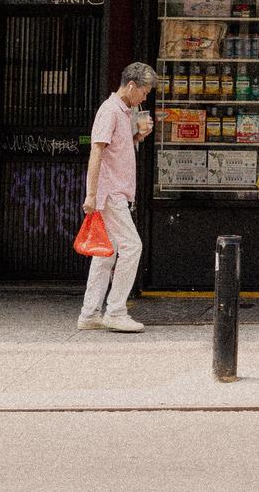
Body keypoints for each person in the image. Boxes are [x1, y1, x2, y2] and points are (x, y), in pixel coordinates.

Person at [78, 61, 156, 332]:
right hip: (111, 193)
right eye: (144, 92)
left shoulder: (125, 111)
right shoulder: (110, 111)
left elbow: (117, 149)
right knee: (132, 247)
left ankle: (90, 313)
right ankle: (116, 311)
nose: (145, 98)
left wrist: (138, 135)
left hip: (113, 192)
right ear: (131, 85)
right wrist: (91, 194)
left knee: (106, 254)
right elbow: (96, 151)